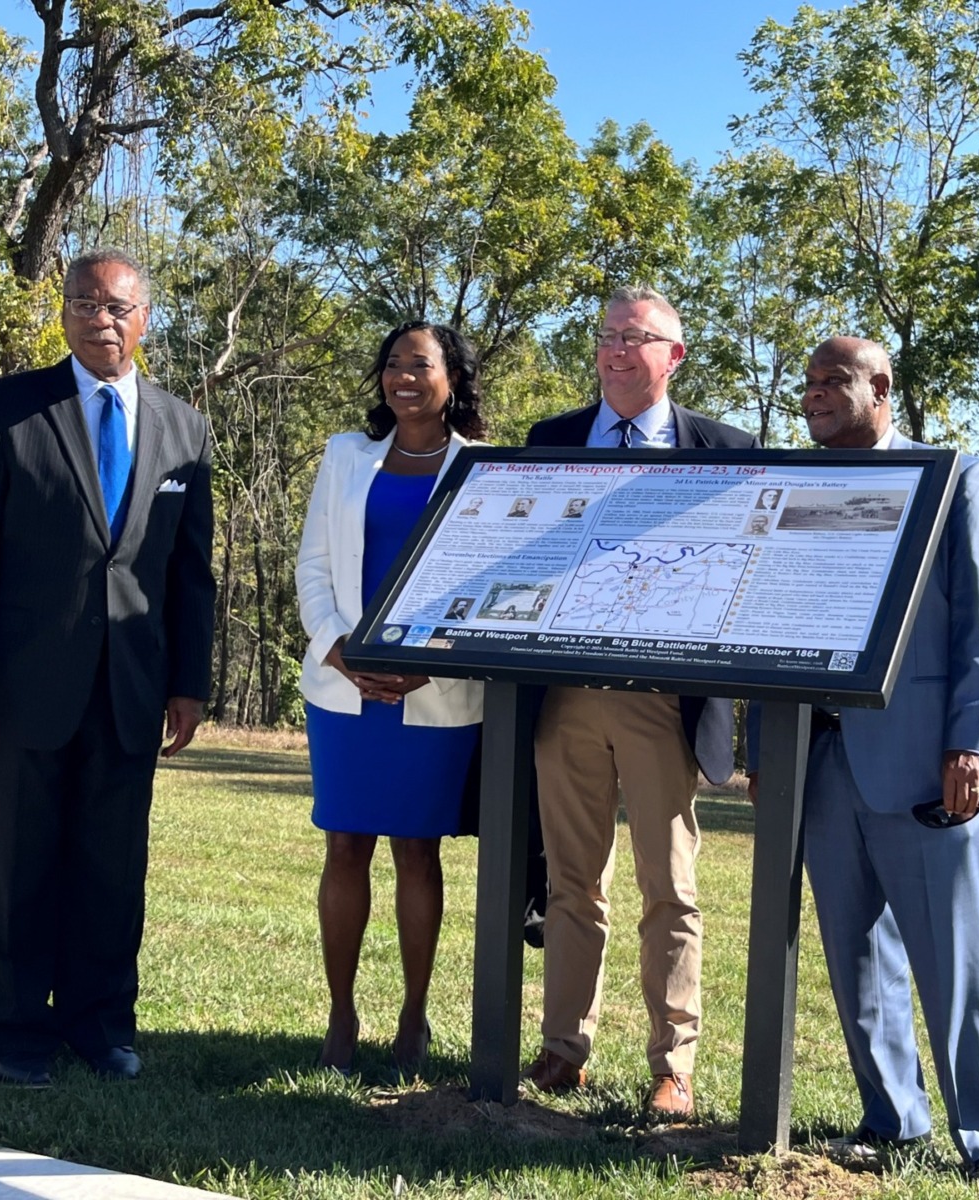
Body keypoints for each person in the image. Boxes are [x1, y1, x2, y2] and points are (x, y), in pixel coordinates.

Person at [0, 248, 215, 1087]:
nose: (102, 319)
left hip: (130, 686)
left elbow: (189, 571)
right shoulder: (10, 410)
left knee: (111, 865)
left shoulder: (182, 428)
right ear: (64, 314)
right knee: (18, 862)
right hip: (22, 685)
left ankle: (102, 1024)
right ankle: (16, 1028)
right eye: (85, 303)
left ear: (145, 319)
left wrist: (190, 682)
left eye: (118, 307)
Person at [754, 336, 979, 1192]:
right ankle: (892, 1116)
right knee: (853, 951)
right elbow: (769, 621)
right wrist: (766, 746)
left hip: (925, 760)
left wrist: (974, 743)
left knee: (953, 959)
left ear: (883, 388)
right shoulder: (792, 484)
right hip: (819, 754)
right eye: (808, 383)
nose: (815, 395)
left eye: (834, 381)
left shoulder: (955, 479)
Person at [522, 286, 758, 1119]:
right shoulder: (549, 441)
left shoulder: (727, 449)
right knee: (570, 884)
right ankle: (562, 1049)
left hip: (665, 701)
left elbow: (742, 591)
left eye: (638, 337)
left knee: (671, 886)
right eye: (607, 336)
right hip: (565, 698)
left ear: (676, 355)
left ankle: (675, 1066)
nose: (618, 351)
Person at [294, 321, 486, 1078]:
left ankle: (413, 1016)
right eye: (392, 364)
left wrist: (424, 665)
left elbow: (492, 582)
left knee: (417, 848)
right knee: (345, 845)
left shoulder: (483, 467)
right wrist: (339, 652)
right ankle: (341, 1014)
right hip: (343, 690)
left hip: (432, 693)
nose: (403, 377)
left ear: (453, 378)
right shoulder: (346, 456)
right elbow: (313, 565)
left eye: (420, 364)